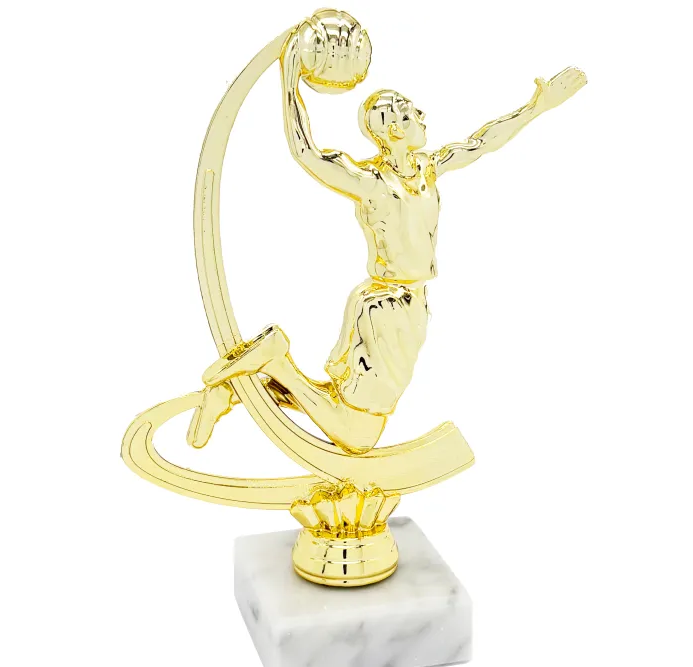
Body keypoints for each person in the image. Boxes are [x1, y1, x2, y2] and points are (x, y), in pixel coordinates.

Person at [187, 27, 587, 455]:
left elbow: (482, 142)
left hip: (407, 305)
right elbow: (306, 152)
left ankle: (234, 392)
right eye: (410, 113)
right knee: (360, 434)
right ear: (394, 128)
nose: (422, 115)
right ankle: (276, 360)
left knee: (343, 409)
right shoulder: (371, 182)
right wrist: (289, 76)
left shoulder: (428, 168)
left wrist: (537, 107)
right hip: (387, 310)